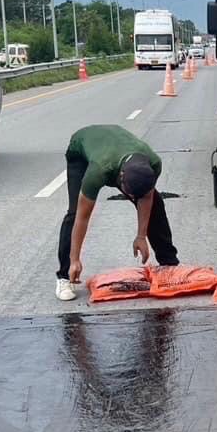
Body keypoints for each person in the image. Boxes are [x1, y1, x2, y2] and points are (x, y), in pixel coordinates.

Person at [55, 124, 177, 301]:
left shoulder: (154, 163)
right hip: (81, 149)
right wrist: (75, 259)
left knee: (156, 204)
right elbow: (82, 217)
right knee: (74, 213)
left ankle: (169, 264)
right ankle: (65, 276)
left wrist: (141, 236)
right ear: (120, 177)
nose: (133, 198)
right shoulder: (99, 170)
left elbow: (147, 197)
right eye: (130, 194)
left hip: (117, 146)